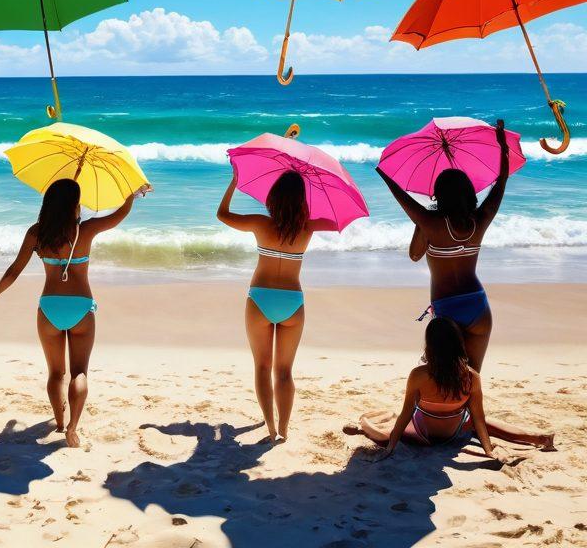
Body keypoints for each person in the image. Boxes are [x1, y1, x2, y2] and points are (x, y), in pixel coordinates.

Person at [0, 179, 147, 448]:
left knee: (56, 373)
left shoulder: (37, 233)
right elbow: (119, 215)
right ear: (74, 204)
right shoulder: (86, 230)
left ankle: (58, 422)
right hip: (81, 306)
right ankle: (72, 427)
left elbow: (14, 269)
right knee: (79, 371)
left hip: (49, 308)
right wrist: (133, 194)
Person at [376, 119, 510, 371]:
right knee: (473, 378)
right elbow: (501, 182)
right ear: (469, 193)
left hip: (447, 309)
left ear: (437, 195)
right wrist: (502, 146)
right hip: (478, 307)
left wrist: (383, 172)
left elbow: (414, 254)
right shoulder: (480, 220)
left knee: (445, 377)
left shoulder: (431, 223)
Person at [217, 169, 334, 443]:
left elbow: (222, 214)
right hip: (293, 301)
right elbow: (336, 222)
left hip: (260, 299)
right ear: (301, 200)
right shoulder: (308, 227)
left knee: (262, 367)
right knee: (284, 371)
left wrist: (235, 181)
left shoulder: (260, 223)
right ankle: (284, 429)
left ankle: (269, 427)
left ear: (273, 198)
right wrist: (313, 199)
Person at [346, 317, 554, 459]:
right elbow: (479, 418)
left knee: (380, 429)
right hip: (454, 431)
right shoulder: (472, 376)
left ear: (430, 344)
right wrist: (487, 449)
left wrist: (391, 446)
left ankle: (362, 426)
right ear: (458, 343)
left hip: (424, 433)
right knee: (482, 421)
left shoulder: (419, 374)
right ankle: (536, 438)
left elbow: (406, 414)